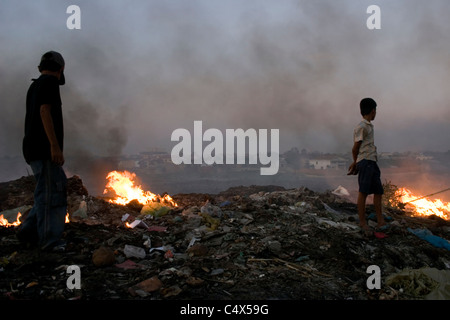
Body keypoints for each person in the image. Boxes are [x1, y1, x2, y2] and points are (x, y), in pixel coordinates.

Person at [17, 51, 68, 251]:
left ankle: (28, 231)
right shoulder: (49, 83)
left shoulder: (35, 85)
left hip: (33, 149)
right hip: (43, 149)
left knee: (47, 190)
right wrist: (54, 146)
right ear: (61, 69)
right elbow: (44, 111)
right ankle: (49, 240)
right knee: (51, 194)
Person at [348, 98, 386, 237]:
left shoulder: (369, 126)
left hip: (372, 161)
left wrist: (356, 162)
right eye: (376, 111)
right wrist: (356, 162)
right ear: (373, 111)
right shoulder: (362, 127)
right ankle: (362, 222)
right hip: (366, 162)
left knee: (378, 191)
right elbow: (355, 148)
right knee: (363, 192)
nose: (376, 113)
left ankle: (381, 221)